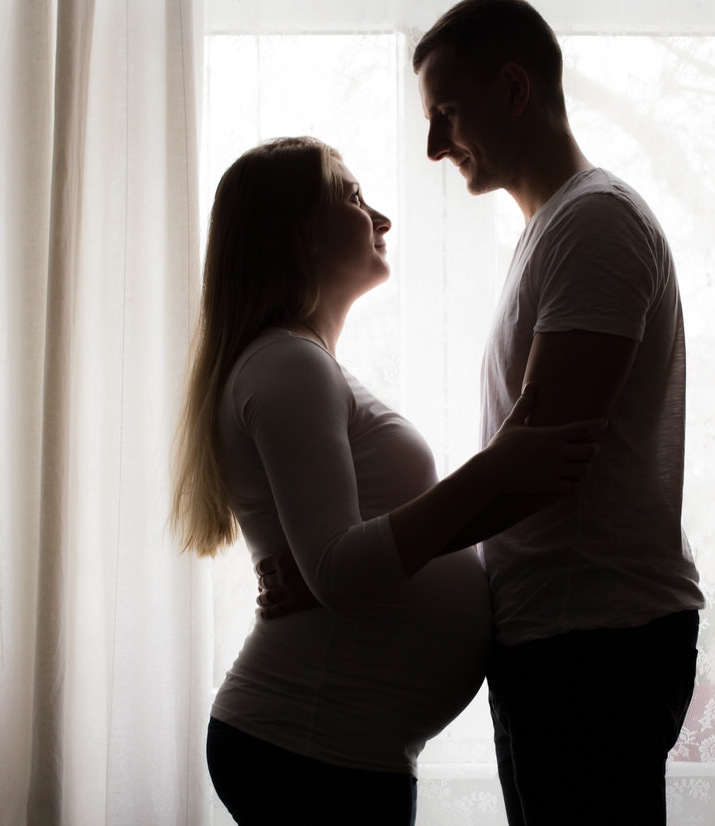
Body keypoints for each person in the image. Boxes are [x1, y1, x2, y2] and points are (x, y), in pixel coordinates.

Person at [261, 0, 707, 825]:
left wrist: (344, 573)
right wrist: (347, 563)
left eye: (446, 114)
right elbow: (517, 469)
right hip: (566, 639)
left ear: (513, 89)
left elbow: (540, 465)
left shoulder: (594, 224)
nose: (435, 146)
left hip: (594, 644)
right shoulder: (554, 230)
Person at [170, 136, 602, 826]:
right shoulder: (288, 365)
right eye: (352, 196)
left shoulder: (297, 363)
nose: (382, 219)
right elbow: (340, 568)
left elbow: (332, 561)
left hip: (333, 749)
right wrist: (495, 469)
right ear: (302, 234)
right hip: (311, 746)